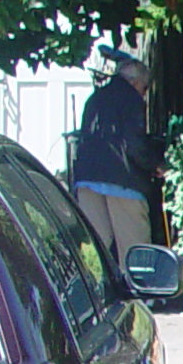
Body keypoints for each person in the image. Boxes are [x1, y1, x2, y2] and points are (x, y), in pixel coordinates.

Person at [69, 47, 162, 261]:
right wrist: (156, 165)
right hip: (123, 182)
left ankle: (95, 292)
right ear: (136, 82)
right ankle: (136, 295)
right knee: (134, 251)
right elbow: (134, 144)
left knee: (96, 250)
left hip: (87, 179)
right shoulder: (132, 100)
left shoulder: (95, 98)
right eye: (145, 87)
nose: (144, 92)